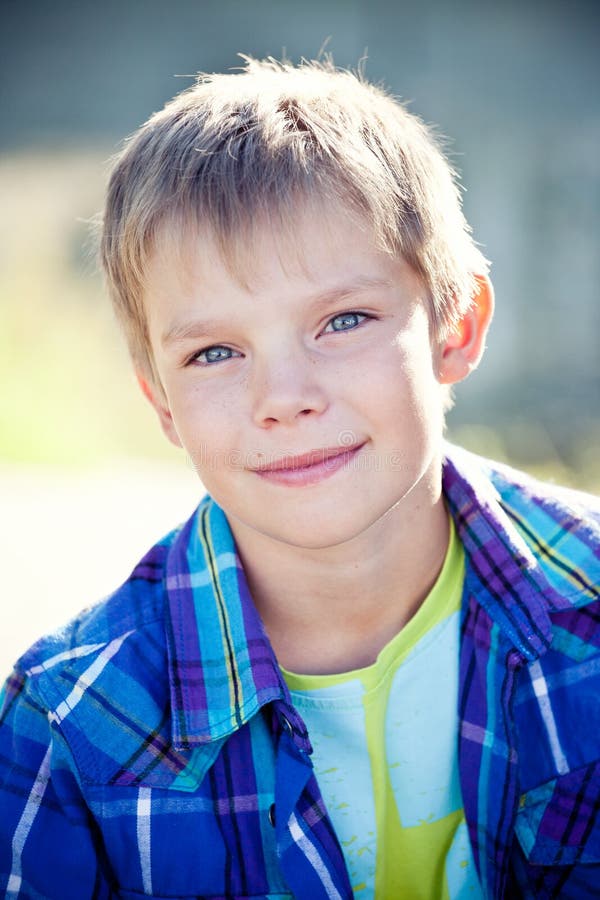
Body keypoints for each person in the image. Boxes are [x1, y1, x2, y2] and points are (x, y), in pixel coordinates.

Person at [1, 56, 599, 900]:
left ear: (455, 329)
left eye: (342, 321)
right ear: (162, 402)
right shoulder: (67, 726)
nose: (283, 399)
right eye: (215, 352)